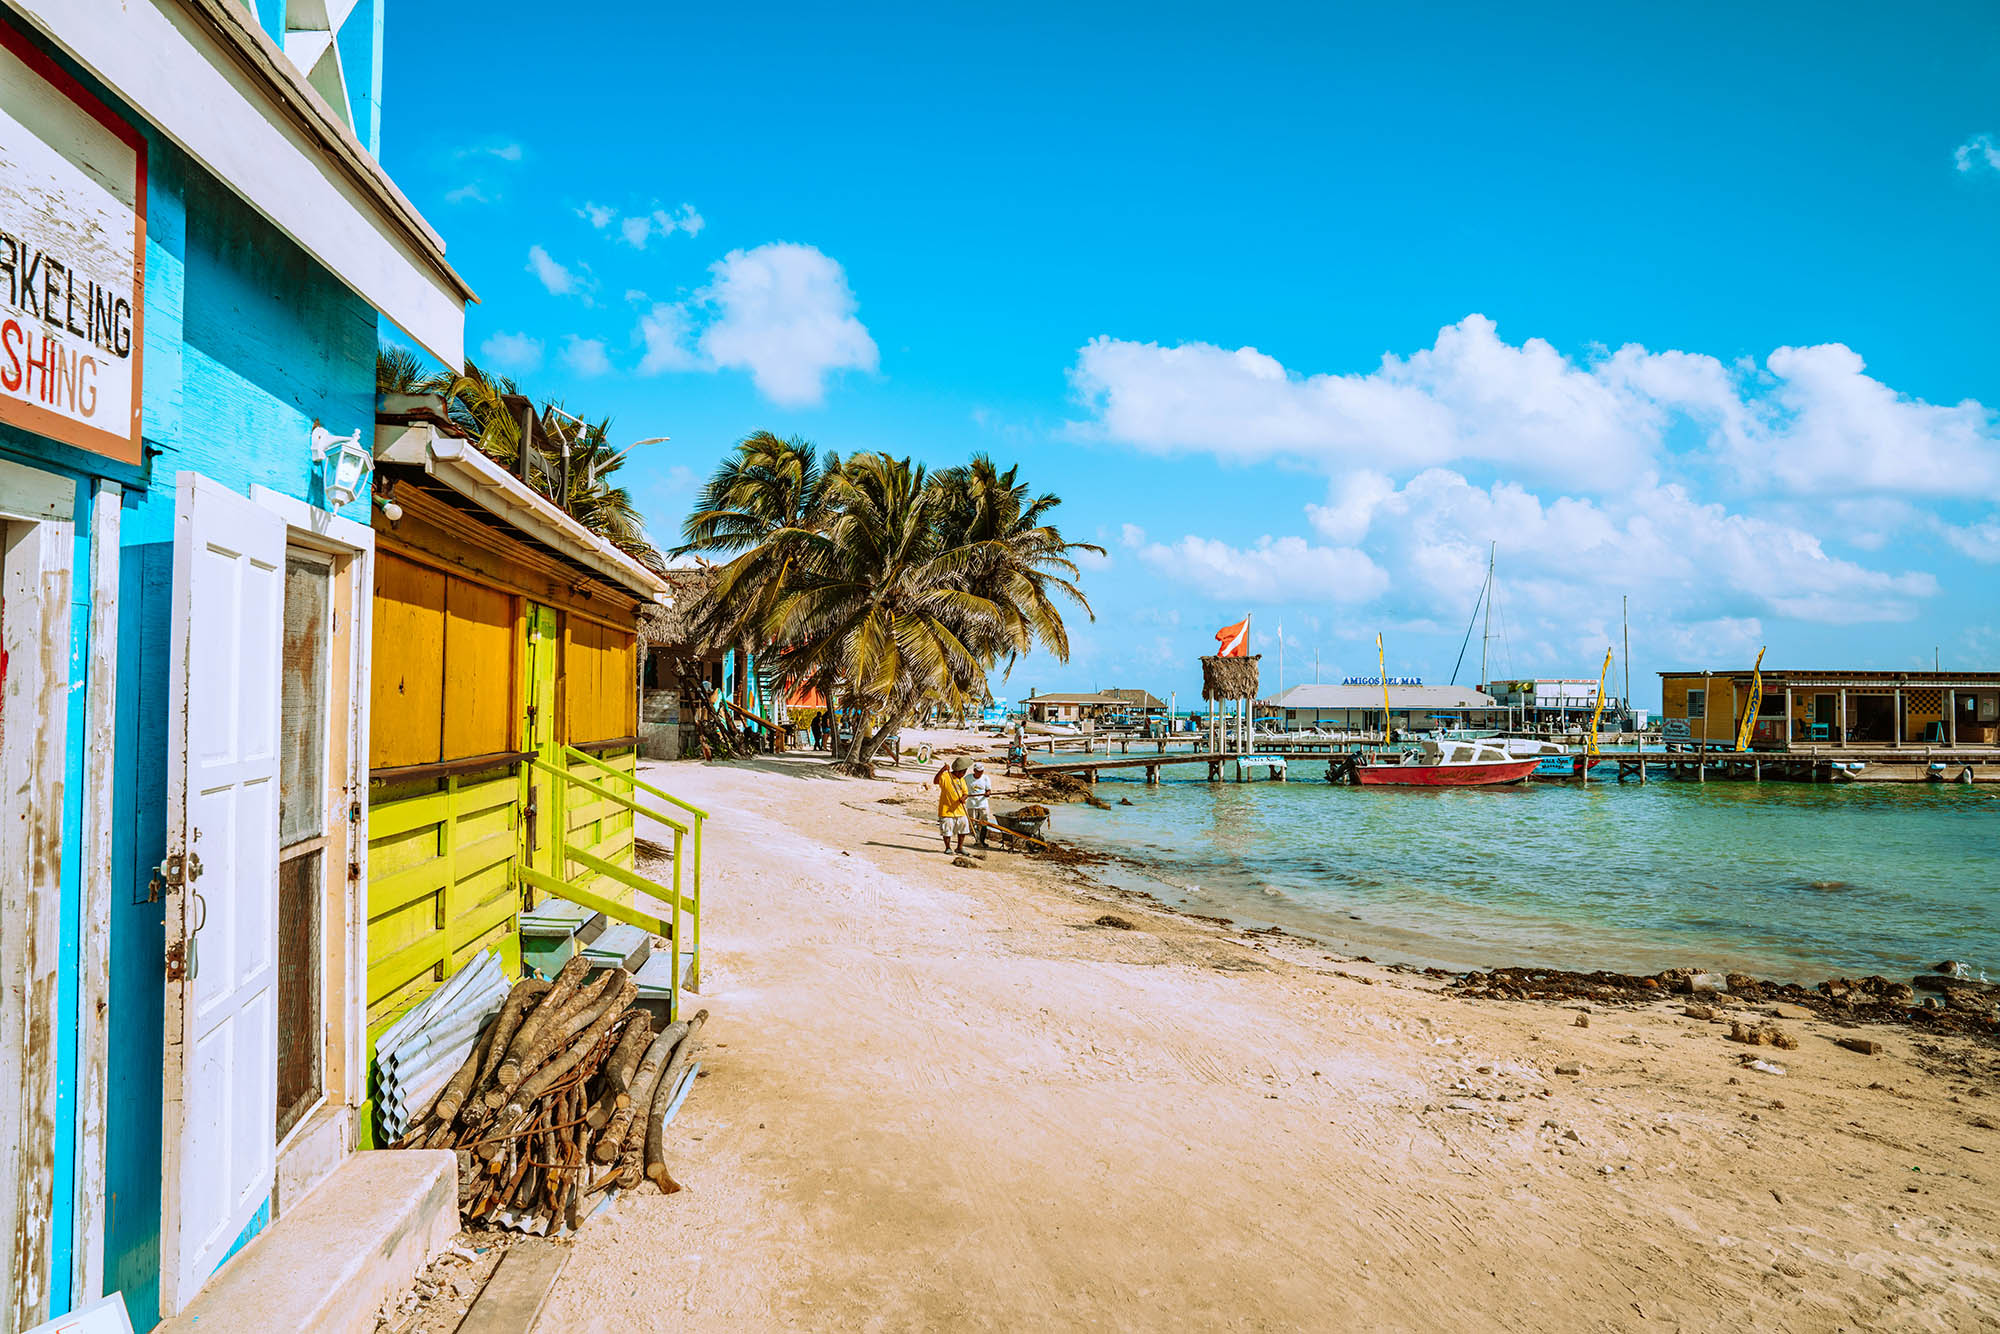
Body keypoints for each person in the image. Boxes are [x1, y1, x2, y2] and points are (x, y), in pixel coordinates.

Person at [934, 757, 971, 855]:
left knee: (963, 829)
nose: (964, 774)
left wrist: (964, 798)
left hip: (960, 810)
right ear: (959, 771)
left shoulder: (962, 780)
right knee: (947, 830)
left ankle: (959, 847)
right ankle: (948, 848)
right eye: (963, 772)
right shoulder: (946, 776)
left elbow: (966, 793)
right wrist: (942, 770)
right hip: (946, 810)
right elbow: (936, 781)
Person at [964, 760, 993, 848]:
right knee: (973, 823)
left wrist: (988, 793)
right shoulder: (967, 778)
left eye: (981, 772)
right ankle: (977, 840)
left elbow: (988, 790)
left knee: (984, 822)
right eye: (978, 771)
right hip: (971, 804)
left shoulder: (985, 778)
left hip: (983, 804)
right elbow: (962, 789)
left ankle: (982, 840)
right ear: (974, 771)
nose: (980, 773)